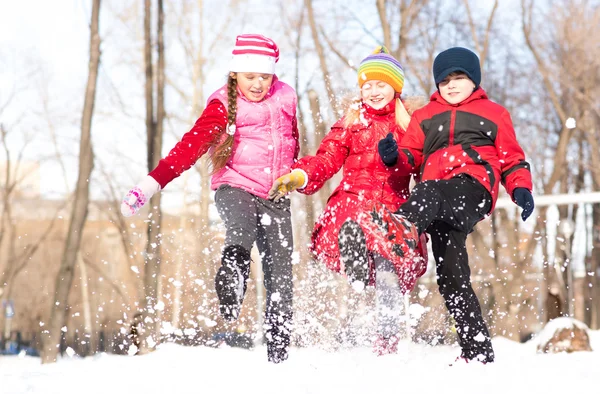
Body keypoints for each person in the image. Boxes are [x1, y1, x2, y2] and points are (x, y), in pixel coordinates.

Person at [120, 34, 299, 364]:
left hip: (275, 196)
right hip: (235, 187)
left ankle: (279, 357)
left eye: (264, 76)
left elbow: (292, 142)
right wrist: (149, 185)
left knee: (281, 277)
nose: (258, 84)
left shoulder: (287, 96)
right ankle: (231, 277)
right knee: (241, 231)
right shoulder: (223, 105)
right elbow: (190, 147)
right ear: (235, 75)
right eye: (250, 77)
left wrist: (296, 176)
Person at [376, 47, 534, 363]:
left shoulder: (494, 112)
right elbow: (411, 158)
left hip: (472, 186)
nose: (451, 85)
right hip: (434, 204)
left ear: (473, 79)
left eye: (459, 77)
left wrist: (520, 189)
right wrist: (394, 156)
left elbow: (511, 158)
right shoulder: (424, 116)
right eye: (445, 79)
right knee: (451, 276)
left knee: (432, 191)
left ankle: (401, 229)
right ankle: (477, 351)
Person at [269, 47, 428, 356]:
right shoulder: (351, 121)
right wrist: (299, 176)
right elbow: (327, 158)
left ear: (395, 87)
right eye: (367, 85)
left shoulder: (409, 124)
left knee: (388, 272)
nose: (373, 90)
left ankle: (387, 339)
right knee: (357, 217)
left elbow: (421, 164)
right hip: (353, 202)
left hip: (393, 207)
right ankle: (354, 254)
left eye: (380, 84)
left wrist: (426, 193)